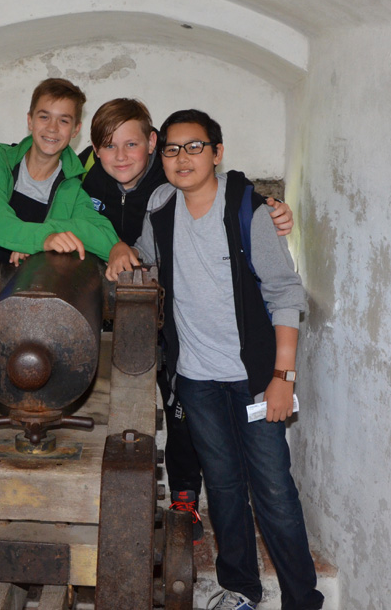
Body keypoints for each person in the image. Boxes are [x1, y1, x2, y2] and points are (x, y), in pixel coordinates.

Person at [112, 109, 323, 610]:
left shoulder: (248, 210)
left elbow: (285, 293)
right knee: (224, 487)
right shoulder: (162, 206)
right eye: (172, 149)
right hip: (196, 379)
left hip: (255, 379)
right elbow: (145, 255)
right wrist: (118, 248)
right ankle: (242, 589)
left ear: (217, 153)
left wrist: (283, 377)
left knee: (273, 490)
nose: (182, 158)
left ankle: (302, 600)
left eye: (195, 147)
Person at [80, 98, 295, 543]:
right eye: (109, 145)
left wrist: (270, 207)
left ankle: (185, 499)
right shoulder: (92, 184)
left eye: (132, 144)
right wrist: (115, 248)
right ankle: (226, 558)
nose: (121, 154)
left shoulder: (182, 187)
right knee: (216, 468)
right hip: (177, 348)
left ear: (151, 144)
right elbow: (134, 245)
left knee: (268, 486)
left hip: (235, 361)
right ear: (96, 150)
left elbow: (280, 285)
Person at [0, 78, 118, 264]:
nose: (52, 128)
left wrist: (52, 234)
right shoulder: (0, 162)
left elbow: (106, 240)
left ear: (75, 130)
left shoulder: (72, 189)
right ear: (30, 121)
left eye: (64, 120)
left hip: (35, 280)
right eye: (44, 117)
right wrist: (43, 239)